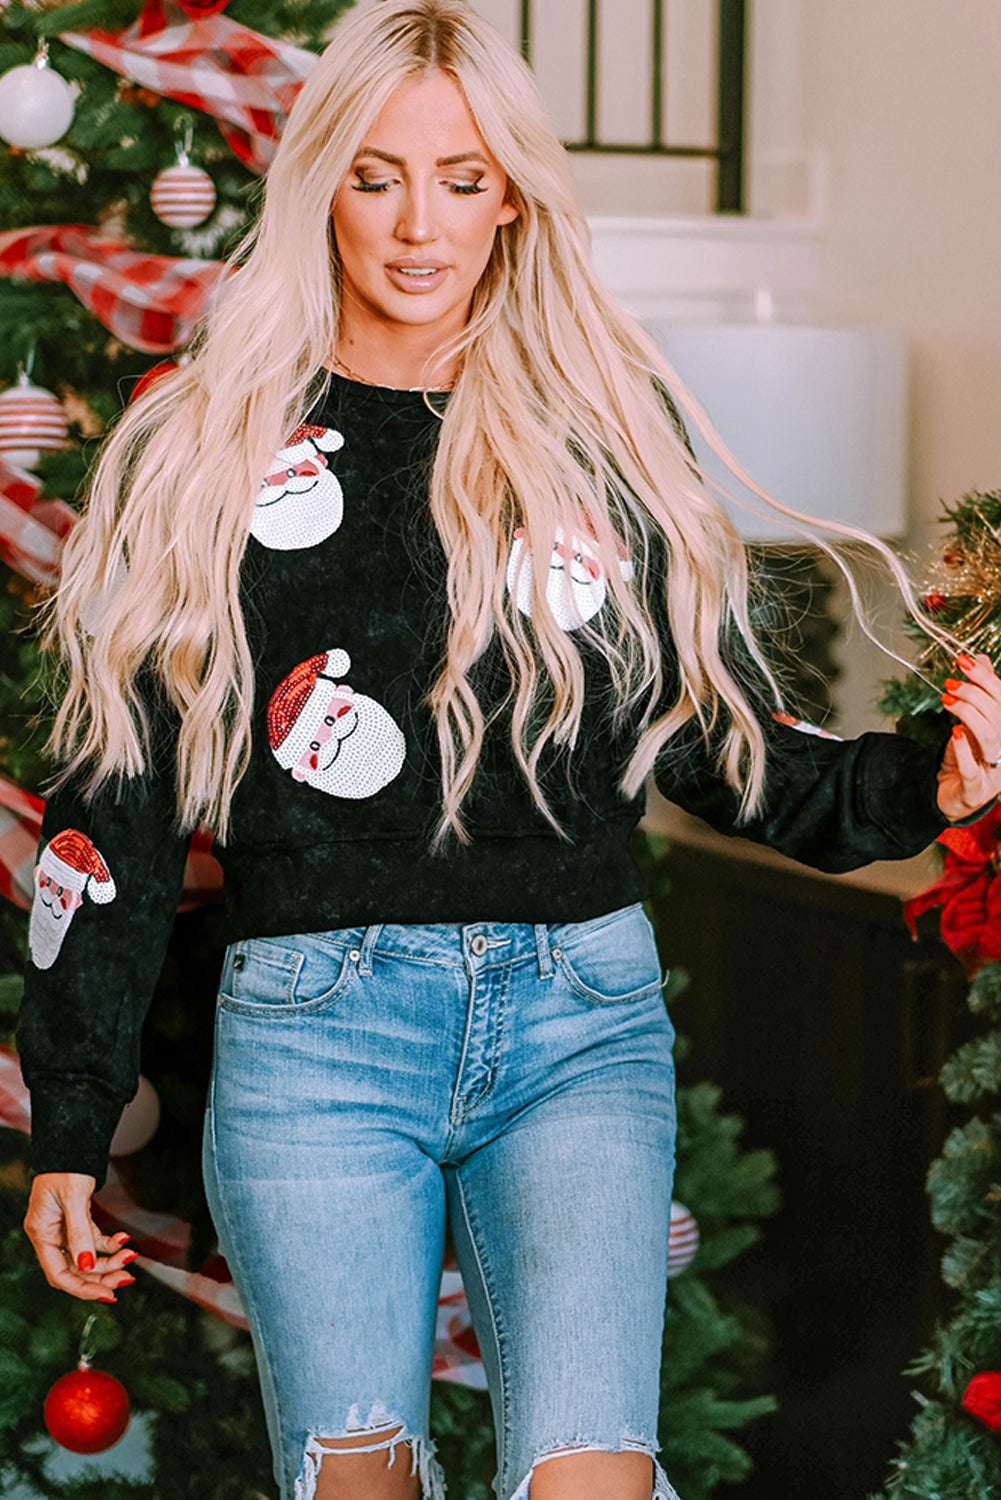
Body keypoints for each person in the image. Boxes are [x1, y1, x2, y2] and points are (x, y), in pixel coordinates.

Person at [17, 3, 1001, 1499]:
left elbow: (720, 744)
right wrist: (71, 1121)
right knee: (360, 1485)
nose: (422, 227)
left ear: (515, 197)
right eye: (377, 176)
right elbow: (121, 809)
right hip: (312, 1033)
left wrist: (926, 778)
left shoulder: (596, 429)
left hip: (576, 1021)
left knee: (588, 1481)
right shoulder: (206, 439)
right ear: (319, 185)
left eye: (465, 179)